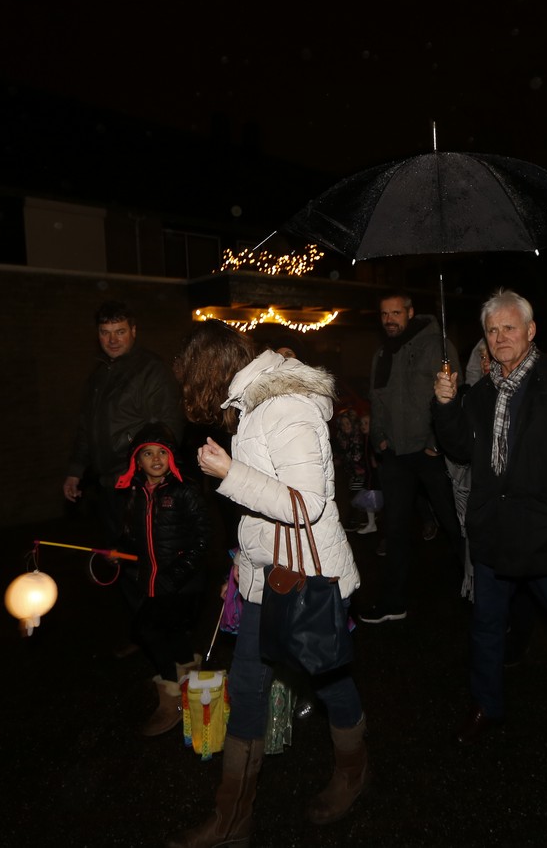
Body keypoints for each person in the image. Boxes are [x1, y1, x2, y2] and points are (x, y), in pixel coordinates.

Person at [170, 321, 366, 847]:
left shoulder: (285, 407)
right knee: (247, 687)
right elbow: (264, 508)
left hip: (306, 577)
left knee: (327, 676)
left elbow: (307, 504)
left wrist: (230, 473)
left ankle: (352, 770)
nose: (192, 397)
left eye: (192, 383)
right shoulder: (256, 403)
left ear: (212, 373)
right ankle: (233, 817)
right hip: (267, 574)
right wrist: (241, 566)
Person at [433, 289, 547, 743]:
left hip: (544, 528)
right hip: (494, 528)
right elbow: (460, 448)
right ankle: (486, 705)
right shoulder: (481, 393)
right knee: (487, 624)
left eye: (509, 328)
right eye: (492, 330)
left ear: (531, 331)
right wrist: (447, 406)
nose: (500, 337)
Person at [62, 300, 183, 657]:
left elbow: (167, 429)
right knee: (123, 562)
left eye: (119, 332)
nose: (112, 339)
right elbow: (87, 429)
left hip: (137, 486)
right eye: (105, 332)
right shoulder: (99, 375)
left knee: (151, 564)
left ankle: (170, 643)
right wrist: (76, 469)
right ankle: (144, 632)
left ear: (133, 331)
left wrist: (149, 479)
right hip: (108, 486)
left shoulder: (151, 371)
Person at [362, 293, 465, 624]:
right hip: (395, 454)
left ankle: (480, 591)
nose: (389, 319)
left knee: (455, 522)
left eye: (396, 313)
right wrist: (378, 437)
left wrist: (437, 441)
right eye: (384, 314)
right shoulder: (382, 353)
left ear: (410, 313)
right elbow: (376, 399)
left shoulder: (437, 345)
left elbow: (456, 393)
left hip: (429, 452)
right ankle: (393, 601)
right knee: (395, 529)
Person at [112, 423, 208, 737]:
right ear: (136, 462)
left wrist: (175, 575)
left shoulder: (184, 491)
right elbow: (134, 536)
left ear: (171, 457)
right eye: (148, 454)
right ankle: (189, 675)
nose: (156, 459)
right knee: (173, 632)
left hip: (182, 584)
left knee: (147, 630)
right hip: (152, 581)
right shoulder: (136, 494)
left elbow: (202, 540)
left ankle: (170, 693)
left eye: (162, 453)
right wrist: (120, 551)